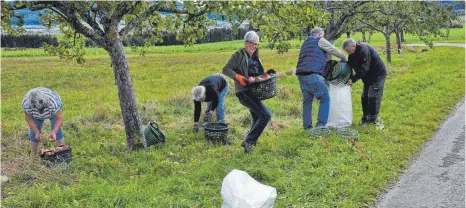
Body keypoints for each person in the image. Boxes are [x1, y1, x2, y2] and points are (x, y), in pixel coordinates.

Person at [222, 31, 272, 154]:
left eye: (256, 44)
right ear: (245, 43)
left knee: (257, 117)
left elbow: (257, 75)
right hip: (244, 92)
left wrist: (266, 75)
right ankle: (248, 142)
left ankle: (248, 144)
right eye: (251, 44)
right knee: (266, 115)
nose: (253, 47)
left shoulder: (255, 58)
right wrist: (238, 77)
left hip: (255, 91)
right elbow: (226, 69)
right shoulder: (239, 55)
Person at [295, 27, 347, 129]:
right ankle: (320, 126)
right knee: (325, 98)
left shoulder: (305, 42)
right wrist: (343, 57)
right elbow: (332, 49)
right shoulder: (319, 40)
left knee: (307, 101)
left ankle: (307, 127)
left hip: (301, 75)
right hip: (313, 74)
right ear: (319, 34)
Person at [342, 38, 387, 125]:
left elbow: (364, 68)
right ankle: (365, 118)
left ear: (353, 46)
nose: (348, 53)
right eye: (347, 52)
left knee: (373, 97)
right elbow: (349, 65)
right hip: (366, 76)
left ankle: (371, 120)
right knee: (365, 97)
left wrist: (353, 79)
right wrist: (345, 73)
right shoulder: (352, 53)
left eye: (348, 51)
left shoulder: (363, 50)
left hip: (377, 75)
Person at [22, 87, 65, 155]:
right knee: (33, 133)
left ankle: (62, 153)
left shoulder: (52, 102)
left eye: (42, 108)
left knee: (57, 130)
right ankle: (34, 155)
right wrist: (36, 131)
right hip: (35, 116)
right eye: (38, 109)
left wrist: (54, 131)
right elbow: (29, 118)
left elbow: (59, 118)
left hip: (53, 112)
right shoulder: (26, 103)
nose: (41, 112)